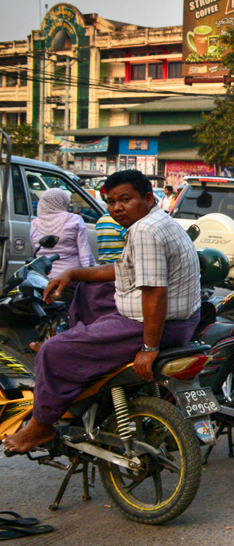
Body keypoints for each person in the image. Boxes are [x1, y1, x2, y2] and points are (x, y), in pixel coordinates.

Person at [3, 170, 201, 454]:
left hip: (154, 325)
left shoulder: (144, 231)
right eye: (111, 201)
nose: (117, 208)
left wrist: (149, 347)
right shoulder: (157, 221)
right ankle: (79, 342)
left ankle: (40, 427)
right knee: (89, 290)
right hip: (180, 320)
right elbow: (122, 270)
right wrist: (73, 273)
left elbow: (155, 292)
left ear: (147, 198)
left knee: (51, 353)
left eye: (125, 199)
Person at [29, 188, 96, 279]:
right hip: (71, 277)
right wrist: (89, 275)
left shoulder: (35, 223)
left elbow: (35, 252)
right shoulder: (75, 219)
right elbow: (84, 253)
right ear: (62, 203)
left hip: (43, 277)